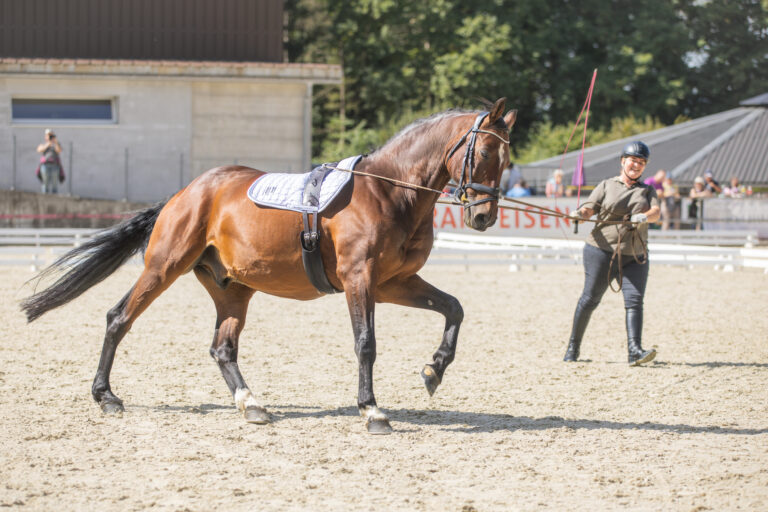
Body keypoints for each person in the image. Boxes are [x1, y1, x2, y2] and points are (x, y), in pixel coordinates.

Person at [563, 141, 660, 366]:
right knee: (590, 299)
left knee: (634, 301)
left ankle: (634, 351)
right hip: (601, 251)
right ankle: (573, 347)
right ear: (623, 161)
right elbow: (589, 208)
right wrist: (579, 214)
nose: (636, 165)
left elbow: (656, 212)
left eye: (641, 162)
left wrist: (644, 217)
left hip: (635, 255)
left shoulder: (647, 190)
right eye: (633, 160)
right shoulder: (607, 185)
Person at [36, 129, 64, 194]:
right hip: (45, 165)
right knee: (45, 182)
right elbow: (39, 150)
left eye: (51, 135)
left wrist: (55, 142)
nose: (50, 137)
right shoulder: (43, 144)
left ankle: (54, 196)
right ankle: (45, 196)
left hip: (55, 165)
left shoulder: (56, 144)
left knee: (54, 183)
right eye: (49, 135)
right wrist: (48, 144)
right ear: (46, 136)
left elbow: (59, 151)